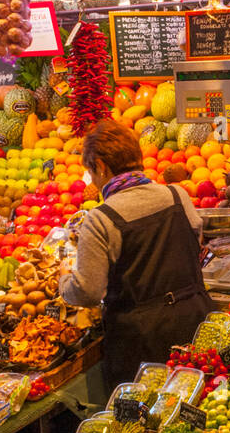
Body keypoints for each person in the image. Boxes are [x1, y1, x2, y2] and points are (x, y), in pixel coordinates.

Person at [60, 120, 214, 392]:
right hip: (195, 322)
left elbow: (87, 291)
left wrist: (64, 282)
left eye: (91, 172)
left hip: (140, 341)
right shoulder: (177, 195)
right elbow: (194, 241)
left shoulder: (101, 218)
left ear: (102, 166)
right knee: (199, 402)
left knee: (143, 420)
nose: (93, 180)